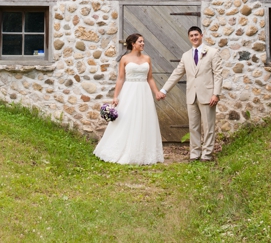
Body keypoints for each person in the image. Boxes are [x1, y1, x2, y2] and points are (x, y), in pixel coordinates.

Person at [93, 33, 165, 165]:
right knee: (127, 119)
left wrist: (156, 92)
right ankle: (121, 149)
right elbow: (120, 78)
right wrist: (115, 96)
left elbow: (150, 78)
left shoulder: (147, 59)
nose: (143, 44)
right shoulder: (125, 59)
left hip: (143, 91)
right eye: (140, 42)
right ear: (133, 44)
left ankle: (142, 151)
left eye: (143, 42)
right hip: (129, 91)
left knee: (143, 119)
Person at [158, 26, 223, 162]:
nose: (194, 37)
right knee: (193, 127)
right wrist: (164, 90)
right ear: (189, 38)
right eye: (191, 36)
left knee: (208, 126)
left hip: (207, 95)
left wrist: (216, 94)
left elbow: (218, 74)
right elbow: (177, 73)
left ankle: (207, 154)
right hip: (191, 96)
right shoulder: (186, 56)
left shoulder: (212, 52)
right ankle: (195, 154)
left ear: (201, 35)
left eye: (196, 35)